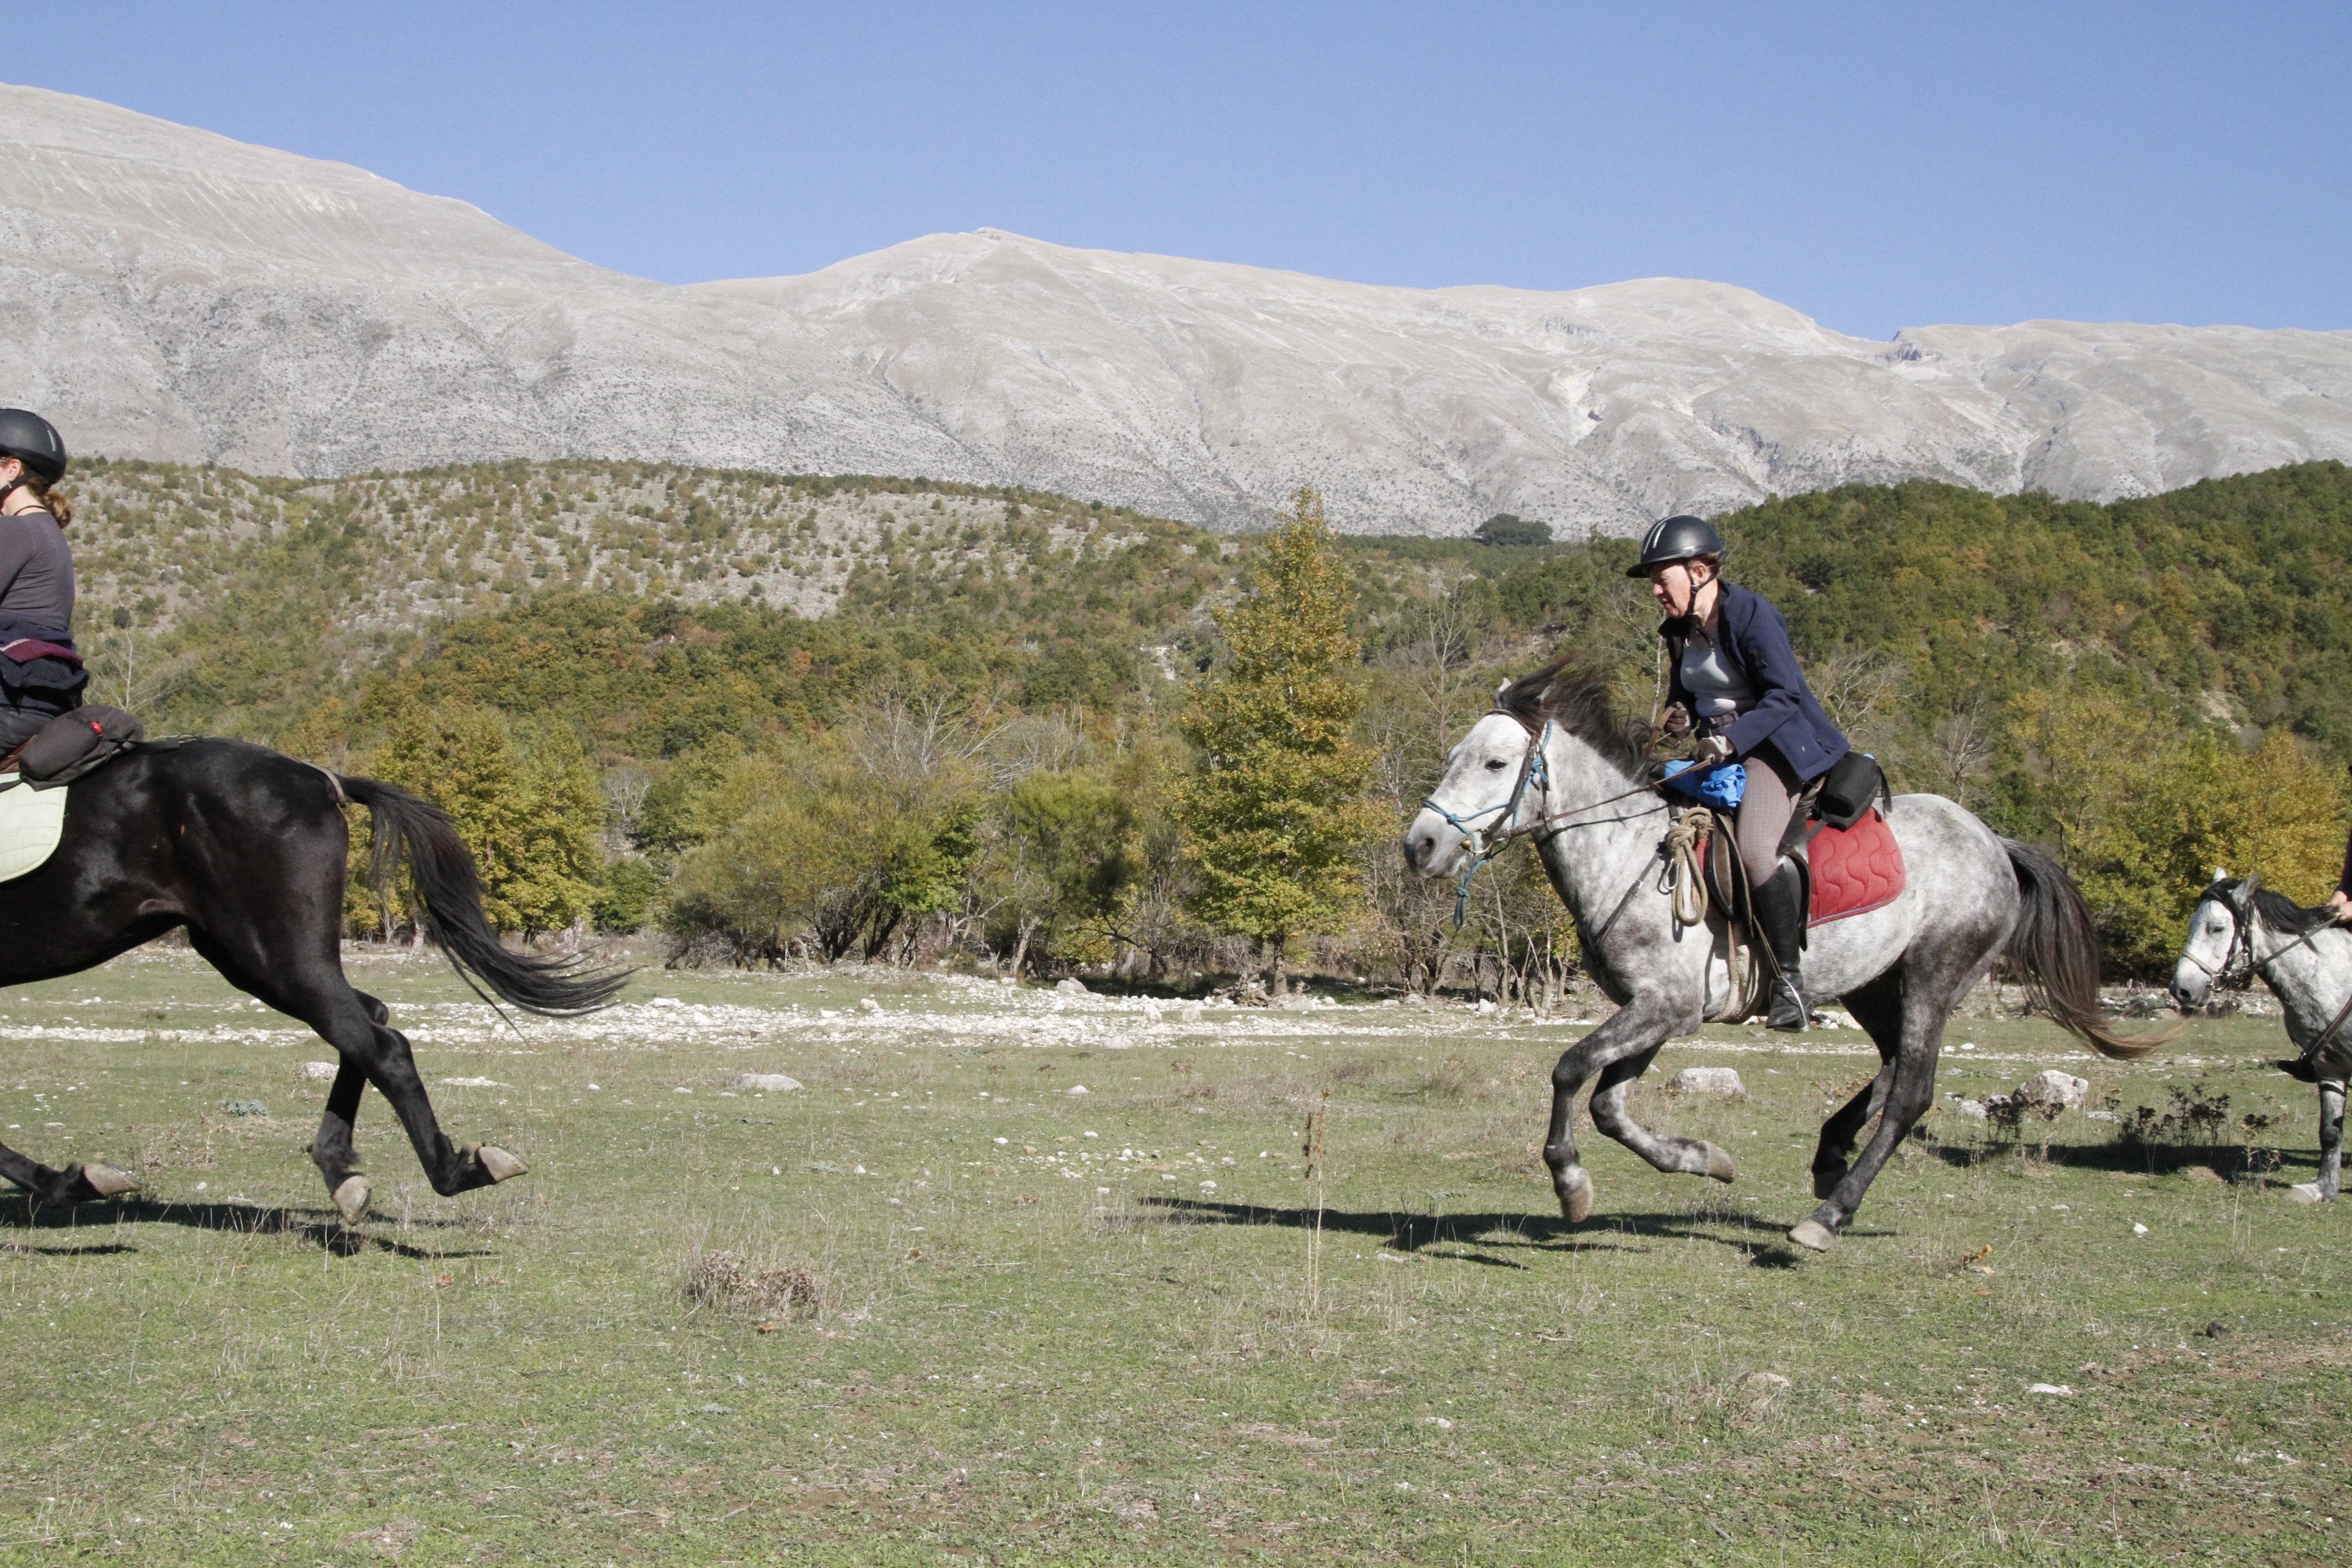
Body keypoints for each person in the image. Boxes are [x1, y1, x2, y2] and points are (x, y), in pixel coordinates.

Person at [1633, 514, 1850, 1029]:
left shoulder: (1753, 616)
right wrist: (1680, 718)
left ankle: (1790, 985)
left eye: (1664, 579)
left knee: (1755, 851)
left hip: (1775, 747)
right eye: (1655, 583)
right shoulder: (1679, 631)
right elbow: (1686, 695)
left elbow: (1785, 695)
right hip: (1718, 750)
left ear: (1701, 571)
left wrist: (1730, 739)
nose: (1658, 592)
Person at [0, 409, 87, 755]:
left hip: (10, 704)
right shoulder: (48, 532)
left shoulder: (15, 531)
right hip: (44, 700)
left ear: (12, 469)